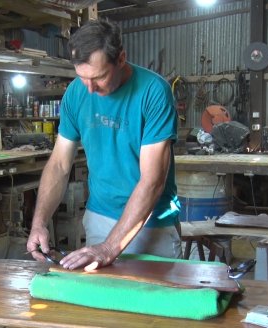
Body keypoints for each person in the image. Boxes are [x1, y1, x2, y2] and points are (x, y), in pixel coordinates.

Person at [26, 19, 182, 272]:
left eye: (98, 77)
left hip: (152, 223)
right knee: (101, 307)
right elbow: (59, 165)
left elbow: (152, 181)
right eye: (81, 77)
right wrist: (39, 223)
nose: (89, 88)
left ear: (121, 59)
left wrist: (110, 247)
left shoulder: (154, 91)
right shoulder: (76, 93)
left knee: (153, 308)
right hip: (99, 217)